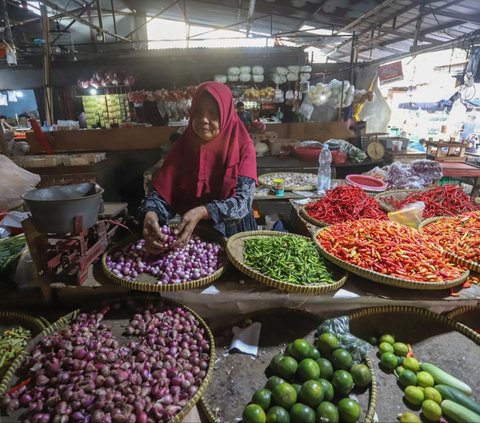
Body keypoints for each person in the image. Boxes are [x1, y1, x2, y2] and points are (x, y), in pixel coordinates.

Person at [140, 81, 258, 254]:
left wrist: (204, 211)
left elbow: (242, 203)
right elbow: (163, 195)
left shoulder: (243, 146)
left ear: (225, 114)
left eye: (213, 113)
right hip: (194, 237)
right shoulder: (183, 146)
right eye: (198, 112)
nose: (203, 119)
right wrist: (152, 213)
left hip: (234, 235)